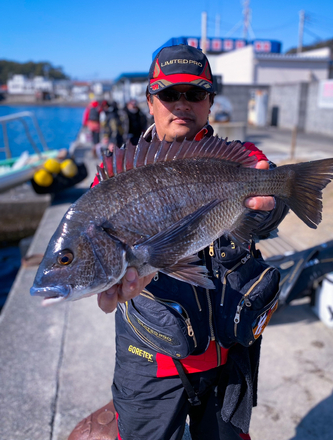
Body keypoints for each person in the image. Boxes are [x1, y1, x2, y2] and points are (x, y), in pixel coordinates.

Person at [69, 44, 288, 440]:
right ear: (150, 101)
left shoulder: (242, 158)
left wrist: (268, 204)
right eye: (169, 94)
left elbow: (273, 201)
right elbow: (92, 243)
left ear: (210, 102)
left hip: (228, 351)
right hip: (152, 358)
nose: (181, 104)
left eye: (195, 94)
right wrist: (99, 277)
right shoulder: (116, 176)